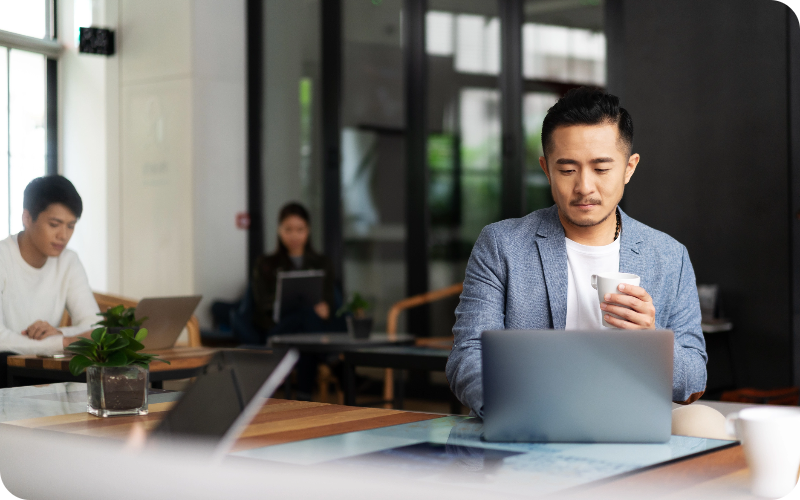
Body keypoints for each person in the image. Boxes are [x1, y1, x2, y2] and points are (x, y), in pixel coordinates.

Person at [446, 87, 707, 418]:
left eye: (601, 169)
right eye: (567, 170)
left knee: (703, 424)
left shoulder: (669, 256)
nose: (584, 186)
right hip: (531, 423)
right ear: (546, 169)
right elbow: (467, 356)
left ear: (629, 168)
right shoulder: (502, 244)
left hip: (628, 424)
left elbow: (695, 378)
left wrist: (651, 342)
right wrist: (526, 411)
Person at [0, 176, 100, 386]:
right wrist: (63, 343)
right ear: (27, 218)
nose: (63, 235)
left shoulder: (68, 261)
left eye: (71, 226)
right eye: (55, 224)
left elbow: (94, 326)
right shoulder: (3, 257)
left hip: (43, 371)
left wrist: (60, 333)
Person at [252, 202, 338, 399]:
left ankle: (304, 397)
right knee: (306, 320)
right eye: (288, 229)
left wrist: (325, 308)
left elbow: (330, 302)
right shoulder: (265, 264)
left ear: (308, 231)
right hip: (279, 329)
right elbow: (261, 306)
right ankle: (326, 357)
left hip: (308, 329)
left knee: (304, 336)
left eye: (300, 230)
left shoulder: (322, 263)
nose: (294, 236)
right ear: (279, 230)